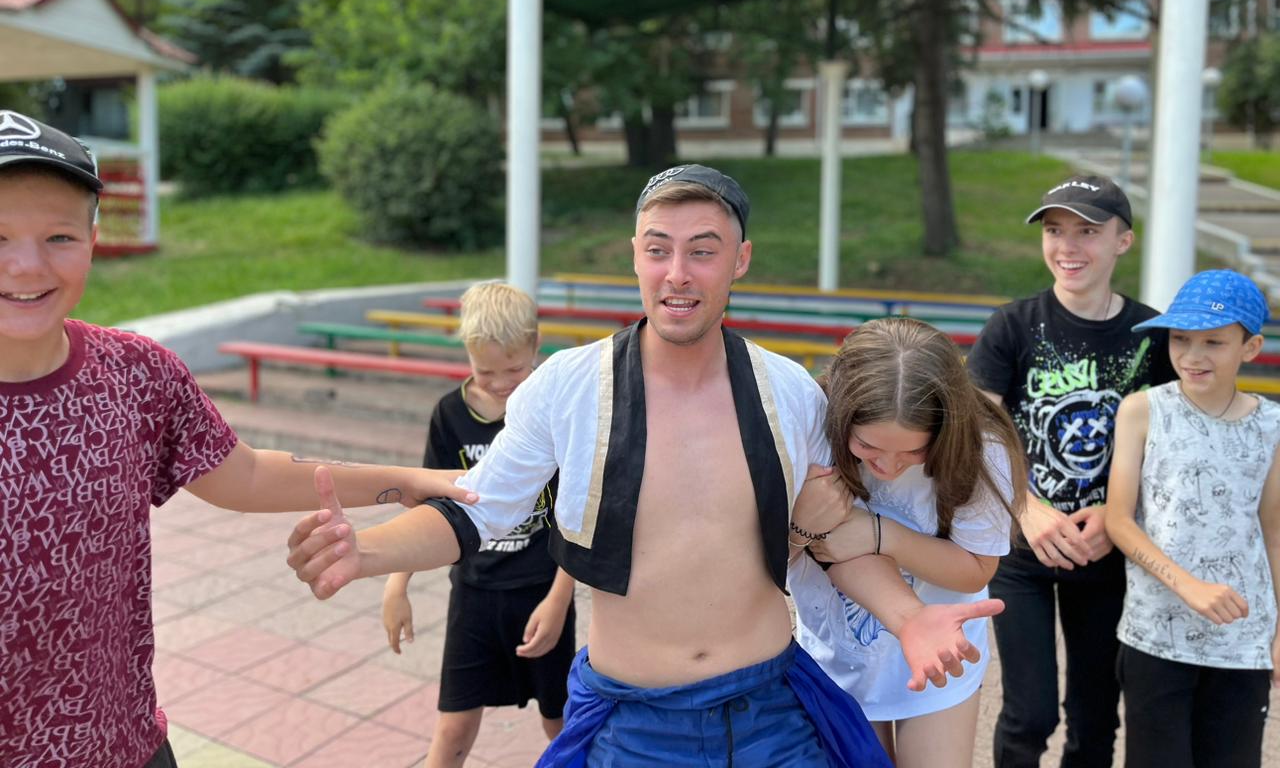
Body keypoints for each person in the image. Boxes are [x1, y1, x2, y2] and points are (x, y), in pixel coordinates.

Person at [288, 163, 1004, 768]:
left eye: (703, 251)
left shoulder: (789, 393)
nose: (677, 274)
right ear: (635, 255)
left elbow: (835, 540)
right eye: (659, 250)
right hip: (633, 724)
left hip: (769, 713)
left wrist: (910, 619)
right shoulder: (569, 388)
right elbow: (474, 511)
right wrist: (368, 552)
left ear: (740, 260)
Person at [0, 110, 475, 768]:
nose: (26, 266)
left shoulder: (136, 373)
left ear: (93, 237)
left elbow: (244, 474)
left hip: (126, 747)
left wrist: (404, 481)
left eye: (58, 236)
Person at [965, 173, 1177, 767]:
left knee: (1095, 714)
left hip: (1106, 550)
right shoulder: (1013, 326)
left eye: (1087, 231)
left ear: (1123, 241)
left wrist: (1118, 515)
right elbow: (977, 435)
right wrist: (1026, 509)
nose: (1068, 246)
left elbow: (1169, 450)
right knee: (1028, 715)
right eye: (1055, 231)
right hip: (1023, 549)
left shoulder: (1154, 337)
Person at [789, 318, 1025, 768]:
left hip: (941, 652)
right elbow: (814, 549)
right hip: (838, 657)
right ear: (841, 416)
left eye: (914, 452)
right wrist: (805, 530)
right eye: (868, 447)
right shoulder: (812, 426)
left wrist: (881, 534)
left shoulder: (982, 447)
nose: (888, 466)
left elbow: (976, 569)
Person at [381, 281, 576, 767]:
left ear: (535, 345)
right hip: (473, 594)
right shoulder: (450, 414)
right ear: (467, 353)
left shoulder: (553, 410)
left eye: (514, 369)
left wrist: (559, 600)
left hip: (541, 590)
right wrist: (396, 584)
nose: (501, 383)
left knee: (562, 724)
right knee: (453, 726)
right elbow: (426, 503)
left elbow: (577, 514)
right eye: (485, 371)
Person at [1105, 268, 1280, 768]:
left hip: (1242, 640)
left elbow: (1274, 532)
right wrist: (1188, 586)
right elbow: (1119, 520)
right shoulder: (1142, 410)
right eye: (1180, 339)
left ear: (1250, 347)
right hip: (1156, 633)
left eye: (1213, 342)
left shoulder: (1272, 425)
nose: (1192, 355)